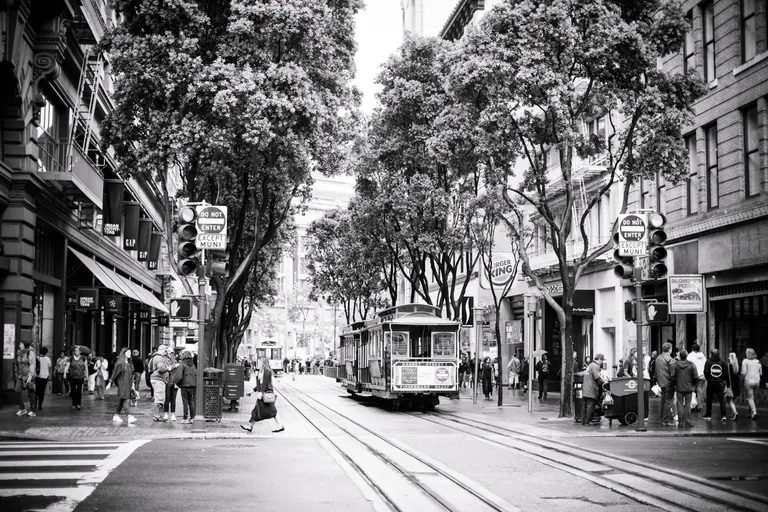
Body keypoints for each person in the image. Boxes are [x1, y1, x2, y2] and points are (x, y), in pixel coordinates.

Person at [241, 356, 284, 434]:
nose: (258, 363)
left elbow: (265, 383)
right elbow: (259, 385)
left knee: (271, 411)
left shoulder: (267, 371)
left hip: (266, 395)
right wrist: (251, 391)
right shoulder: (260, 371)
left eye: (259, 362)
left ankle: (280, 426)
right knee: (258, 411)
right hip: (263, 394)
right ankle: (250, 426)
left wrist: (261, 392)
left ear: (263, 362)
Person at [107, 348, 137, 424]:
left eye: (130, 352)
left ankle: (116, 415)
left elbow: (132, 375)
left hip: (128, 384)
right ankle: (129, 416)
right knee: (125, 400)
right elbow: (114, 373)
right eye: (128, 352)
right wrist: (110, 382)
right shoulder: (120, 363)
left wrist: (133, 384)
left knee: (121, 400)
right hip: (122, 385)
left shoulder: (129, 363)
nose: (130, 353)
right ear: (124, 353)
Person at [672, 349, 697, 428]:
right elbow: (696, 376)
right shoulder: (692, 365)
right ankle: (687, 422)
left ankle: (681, 422)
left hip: (679, 387)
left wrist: (675, 384)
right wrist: (693, 385)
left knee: (679, 404)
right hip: (689, 387)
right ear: (686, 356)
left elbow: (673, 375)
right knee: (687, 405)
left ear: (680, 356)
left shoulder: (676, 364)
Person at [13, 342, 37, 417]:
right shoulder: (19, 353)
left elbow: (32, 364)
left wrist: (30, 376)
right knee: (17, 390)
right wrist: (17, 374)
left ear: (25, 345)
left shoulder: (30, 353)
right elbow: (17, 364)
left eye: (21, 344)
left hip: (29, 376)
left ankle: (32, 410)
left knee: (31, 393)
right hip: (20, 376)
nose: (19, 346)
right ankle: (22, 408)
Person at [655, 342, 676, 426]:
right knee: (668, 401)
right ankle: (665, 420)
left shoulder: (658, 358)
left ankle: (663, 418)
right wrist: (674, 382)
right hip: (668, 382)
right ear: (670, 349)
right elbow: (673, 373)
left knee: (664, 400)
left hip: (661, 382)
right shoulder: (670, 359)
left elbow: (656, 371)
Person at [703, 349, 727, 422]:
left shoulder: (708, 362)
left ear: (711, 354)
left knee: (709, 399)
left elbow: (706, 372)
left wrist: (708, 379)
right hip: (719, 383)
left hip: (711, 383)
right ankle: (723, 415)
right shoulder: (722, 362)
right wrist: (722, 380)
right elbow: (725, 373)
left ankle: (708, 414)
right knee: (721, 400)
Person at [148, 345, 171, 422]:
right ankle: (156, 416)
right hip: (158, 380)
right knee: (158, 398)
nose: (166, 352)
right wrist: (168, 368)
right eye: (165, 351)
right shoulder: (159, 358)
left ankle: (157, 415)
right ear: (161, 350)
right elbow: (161, 369)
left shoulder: (155, 357)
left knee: (158, 397)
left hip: (156, 379)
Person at [582, 353, 605, 426]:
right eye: (602, 360)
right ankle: (587, 422)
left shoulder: (590, 365)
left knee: (585, 406)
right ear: (599, 359)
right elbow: (597, 377)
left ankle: (583, 421)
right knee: (590, 406)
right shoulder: (595, 366)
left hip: (585, 389)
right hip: (591, 389)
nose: (602, 362)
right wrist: (603, 382)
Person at [741, 348, 762, 420]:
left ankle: (754, 412)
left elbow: (743, 372)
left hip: (749, 381)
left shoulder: (745, 361)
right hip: (757, 382)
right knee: (753, 398)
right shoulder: (758, 361)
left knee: (750, 398)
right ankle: (751, 414)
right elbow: (761, 373)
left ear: (747, 354)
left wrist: (744, 378)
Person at [64, 346, 87, 411]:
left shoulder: (83, 358)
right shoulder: (71, 358)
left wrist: (86, 375)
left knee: (79, 390)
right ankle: (74, 404)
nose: (76, 352)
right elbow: (67, 366)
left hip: (80, 376)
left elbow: (86, 367)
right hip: (72, 376)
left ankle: (78, 404)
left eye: (77, 350)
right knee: (73, 390)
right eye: (75, 350)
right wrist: (64, 373)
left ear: (80, 351)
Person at [179, 351, 197, 424]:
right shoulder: (193, 365)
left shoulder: (182, 365)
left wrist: (179, 384)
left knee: (185, 402)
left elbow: (179, 376)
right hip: (193, 385)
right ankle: (192, 417)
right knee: (191, 402)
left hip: (184, 386)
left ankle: (185, 418)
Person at [689, 343, 707, 413]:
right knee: (700, 391)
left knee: (692, 390)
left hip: (693, 375)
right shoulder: (703, 357)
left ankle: (693, 405)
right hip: (702, 376)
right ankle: (700, 405)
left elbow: (688, 365)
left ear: (692, 349)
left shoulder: (690, 356)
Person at [35, 347, 52, 411]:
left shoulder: (37, 358)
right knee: (42, 391)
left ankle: (35, 404)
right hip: (45, 376)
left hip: (38, 376)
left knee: (37, 391)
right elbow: (49, 367)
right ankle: (40, 405)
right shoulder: (48, 359)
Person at [726, 352, 741, 421]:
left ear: (730, 358)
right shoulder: (737, 366)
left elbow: (727, 376)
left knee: (729, 401)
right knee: (733, 401)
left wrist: (728, 386)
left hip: (730, 386)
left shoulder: (729, 366)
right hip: (737, 386)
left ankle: (735, 412)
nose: (728, 358)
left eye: (729, 357)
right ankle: (732, 415)